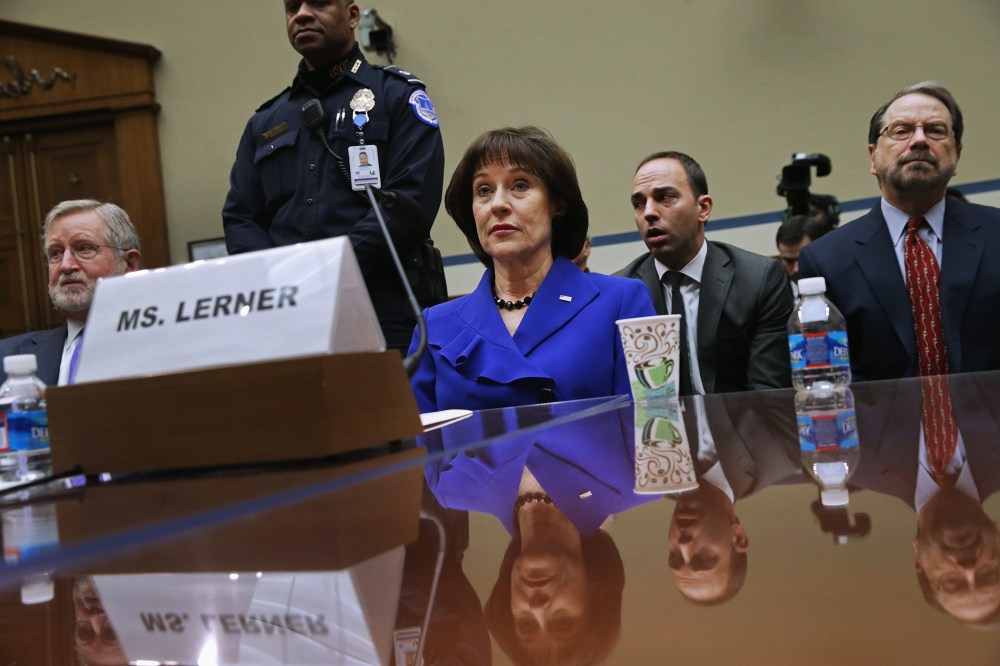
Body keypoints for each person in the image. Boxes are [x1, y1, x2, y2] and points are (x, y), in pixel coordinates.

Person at [223, 0, 445, 350]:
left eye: (320, 3)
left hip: (380, 305)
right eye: (292, 7)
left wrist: (327, 271)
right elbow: (241, 218)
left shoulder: (396, 96)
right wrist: (278, 284)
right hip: (288, 315)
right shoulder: (265, 122)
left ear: (353, 15)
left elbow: (408, 204)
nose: (302, 14)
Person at [408, 126, 654, 412]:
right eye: (483, 190)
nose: (498, 204)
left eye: (520, 185)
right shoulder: (434, 327)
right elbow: (422, 447)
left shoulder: (623, 302)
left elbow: (654, 426)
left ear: (557, 204)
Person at [799, 82, 1000, 380]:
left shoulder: (995, 233)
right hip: (882, 424)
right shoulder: (826, 259)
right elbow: (829, 376)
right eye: (901, 131)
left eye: (935, 130)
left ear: (956, 154)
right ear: (872, 157)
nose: (919, 140)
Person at [616, 151, 793, 395]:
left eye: (664, 197)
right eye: (639, 203)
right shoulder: (621, 292)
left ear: (703, 208)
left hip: (740, 429)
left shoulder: (759, 279)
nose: (648, 212)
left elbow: (768, 392)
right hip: (657, 430)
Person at [0, 200, 142, 385]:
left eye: (84, 248)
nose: (66, 265)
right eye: (56, 253)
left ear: (129, 263)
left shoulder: (168, 344)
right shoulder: (6, 356)